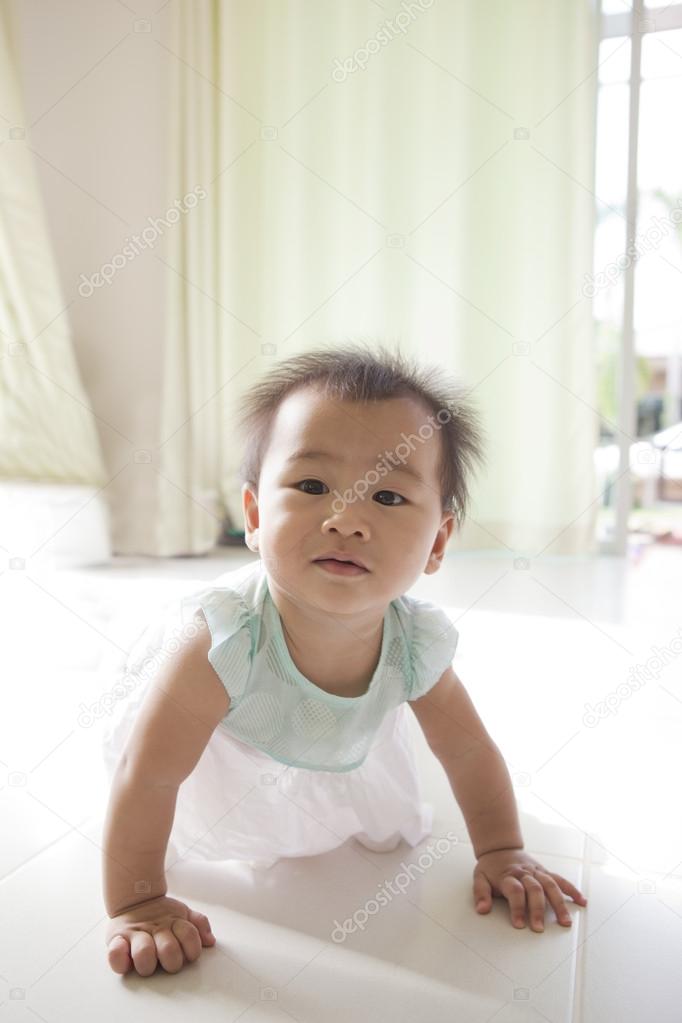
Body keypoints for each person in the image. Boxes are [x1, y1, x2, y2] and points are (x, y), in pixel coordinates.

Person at [101, 342, 587, 977]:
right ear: (253, 514)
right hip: (224, 755)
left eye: (387, 498)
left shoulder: (414, 644)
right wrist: (138, 904)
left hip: (337, 743)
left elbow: (468, 750)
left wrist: (502, 849)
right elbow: (152, 775)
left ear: (439, 541)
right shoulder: (221, 641)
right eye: (311, 486)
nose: (346, 519)